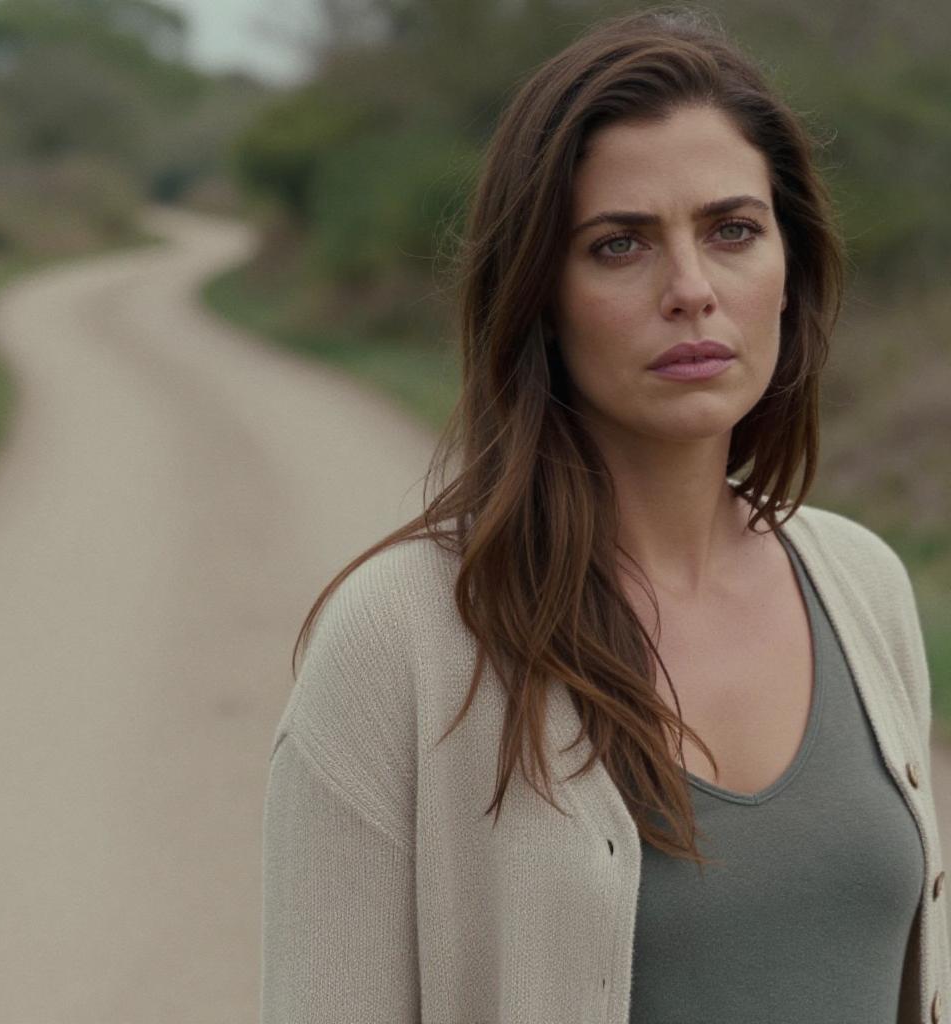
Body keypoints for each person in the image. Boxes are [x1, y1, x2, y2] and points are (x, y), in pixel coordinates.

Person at [260, 7, 950, 1022]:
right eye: (619, 244)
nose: (691, 290)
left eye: (731, 231)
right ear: (539, 293)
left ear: (788, 266)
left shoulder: (864, 585)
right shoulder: (398, 640)